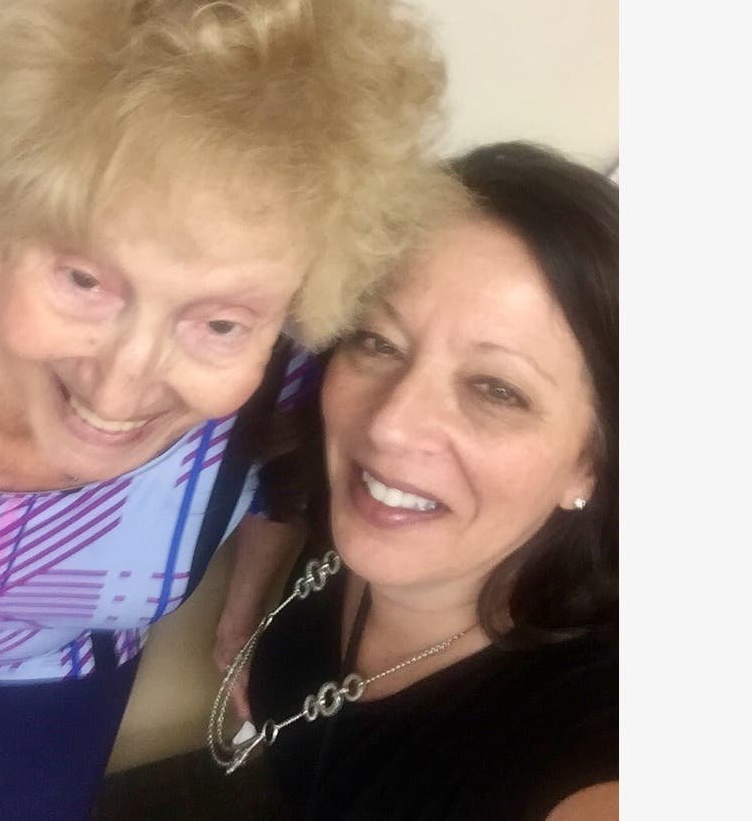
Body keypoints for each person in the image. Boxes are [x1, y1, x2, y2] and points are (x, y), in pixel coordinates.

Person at [0, 0, 460, 817]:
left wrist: (243, 614)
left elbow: (278, 481)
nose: (120, 388)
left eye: (219, 322)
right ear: (6, 205)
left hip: (47, 684)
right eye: (84, 279)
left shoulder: (286, 368)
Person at [210, 142, 619, 820]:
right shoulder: (364, 521)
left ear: (590, 465)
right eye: (378, 342)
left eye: (497, 389)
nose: (390, 426)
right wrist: (242, 617)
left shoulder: (589, 739)